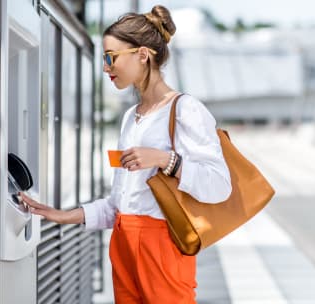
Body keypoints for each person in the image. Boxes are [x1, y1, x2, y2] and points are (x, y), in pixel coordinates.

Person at [20, 5, 232, 304]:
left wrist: (165, 160)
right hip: (122, 243)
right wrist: (62, 215)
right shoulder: (131, 117)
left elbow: (220, 186)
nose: (106, 68)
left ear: (142, 55)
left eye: (111, 57)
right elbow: (120, 205)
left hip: (161, 247)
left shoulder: (185, 110)